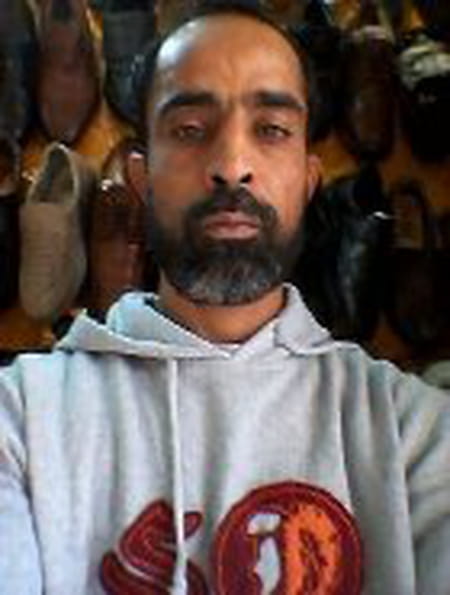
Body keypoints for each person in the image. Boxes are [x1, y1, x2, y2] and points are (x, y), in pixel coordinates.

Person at [1, 5, 450, 594]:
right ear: (141, 178)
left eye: (272, 130)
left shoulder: (416, 434)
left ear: (308, 180)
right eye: (190, 129)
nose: (233, 166)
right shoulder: (21, 420)